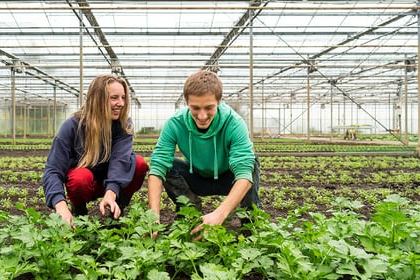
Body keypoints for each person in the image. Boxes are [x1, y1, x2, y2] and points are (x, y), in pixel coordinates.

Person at [148, 70, 260, 239]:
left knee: (251, 162)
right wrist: (153, 217)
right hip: (197, 178)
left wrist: (219, 214)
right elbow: (157, 169)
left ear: (219, 101)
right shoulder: (175, 123)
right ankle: (190, 212)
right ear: (187, 103)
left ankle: (249, 227)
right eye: (195, 108)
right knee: (167, 165)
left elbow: (243, 172)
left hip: (228, 179)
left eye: (209, 108)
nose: (202, 116)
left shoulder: (234, 123)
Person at [42, 74, 148, 225]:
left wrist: (111, 193)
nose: (121, 103)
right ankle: (79, 213)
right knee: (79, 177)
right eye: (114, 98)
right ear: (98, 99)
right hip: (86, 184)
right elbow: (53, 169)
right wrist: (60, 205)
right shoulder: (72, 126)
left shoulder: (123, 125)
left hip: (112, 182)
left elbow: (120, 161)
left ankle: (117, 211)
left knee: (138, 164)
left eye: (123, 98)